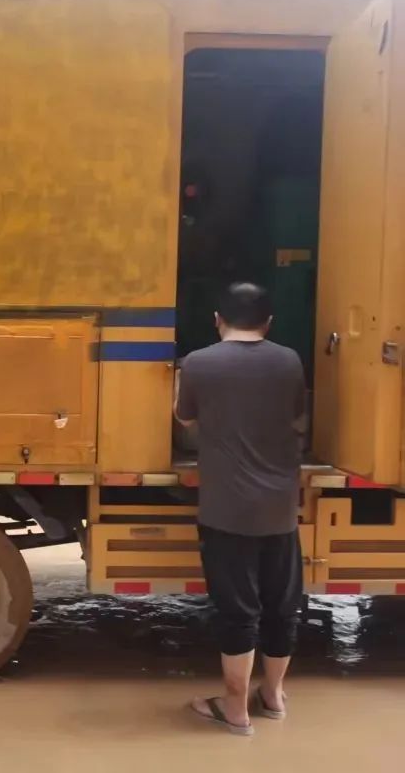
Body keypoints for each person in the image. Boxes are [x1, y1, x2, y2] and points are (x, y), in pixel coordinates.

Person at [174, 282, 306, 736]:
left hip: (226, 509)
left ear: (217, 319)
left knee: (238, 611)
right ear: (268, 322)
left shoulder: (199, 363)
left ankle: (235, 710)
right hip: (280, 508)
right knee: (282, 607)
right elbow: (296, 414)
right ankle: (273, 696)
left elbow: (185, 417)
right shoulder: (289, 361)